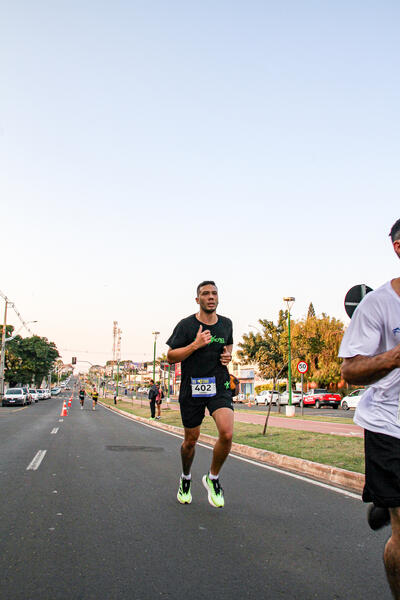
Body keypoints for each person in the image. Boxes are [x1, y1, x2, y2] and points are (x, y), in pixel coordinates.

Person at [339, 218, 400, 599]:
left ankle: (384, 500)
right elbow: (350, 370)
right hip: (390, 424)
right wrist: (394, 357)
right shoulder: (378, 304)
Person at [167, 280, 233, 508]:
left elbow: (228, 346)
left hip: (218, 384)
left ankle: (212, 478)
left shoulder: (226, 324)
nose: (211, 297)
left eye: (214, 293)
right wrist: (194, 345)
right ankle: (186, 478)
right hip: (192, 387)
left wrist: (228, 357)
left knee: (226, 433)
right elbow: (171, 356)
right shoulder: (186, 325)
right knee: (190, 441)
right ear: (198, 300)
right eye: (205, 294)